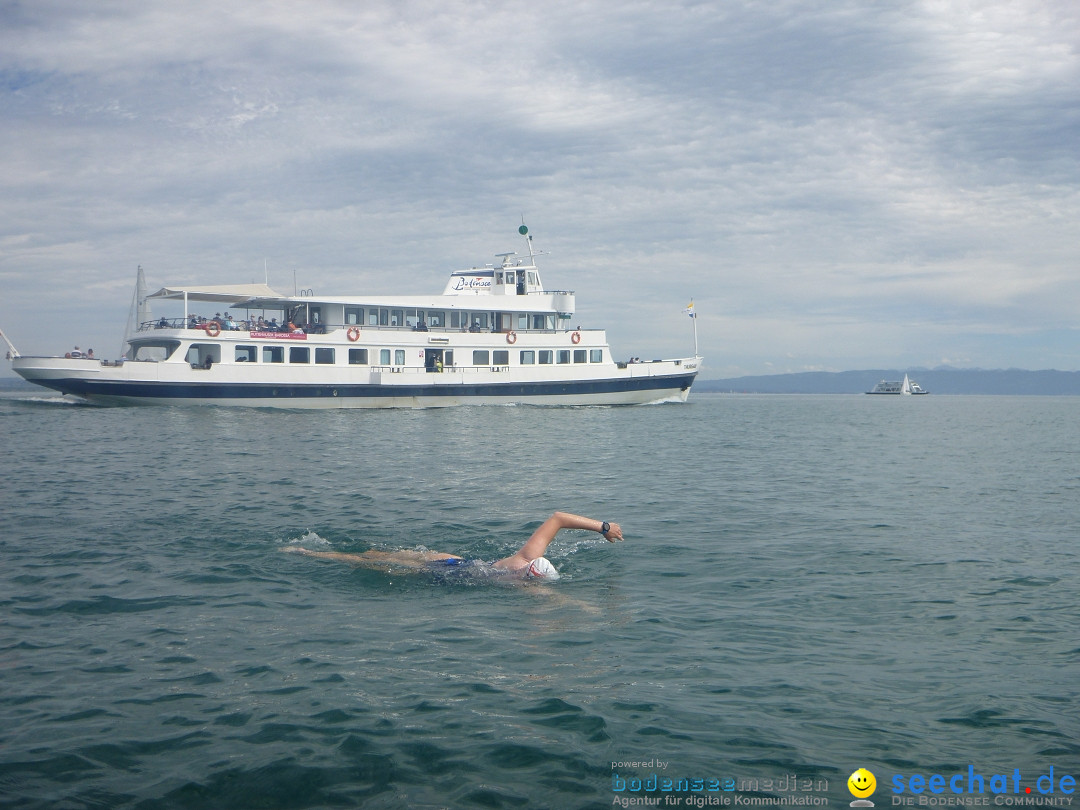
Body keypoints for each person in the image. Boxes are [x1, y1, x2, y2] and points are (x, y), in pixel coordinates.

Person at [283, 511, 623, 580]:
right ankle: (308, 552)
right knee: (372, 565)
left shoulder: (528, 555)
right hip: (444, 569)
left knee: (379, 555)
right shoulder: (524, 575)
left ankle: (314, 548)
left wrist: (603, 527)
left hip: (454, 560)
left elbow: (559, 518)